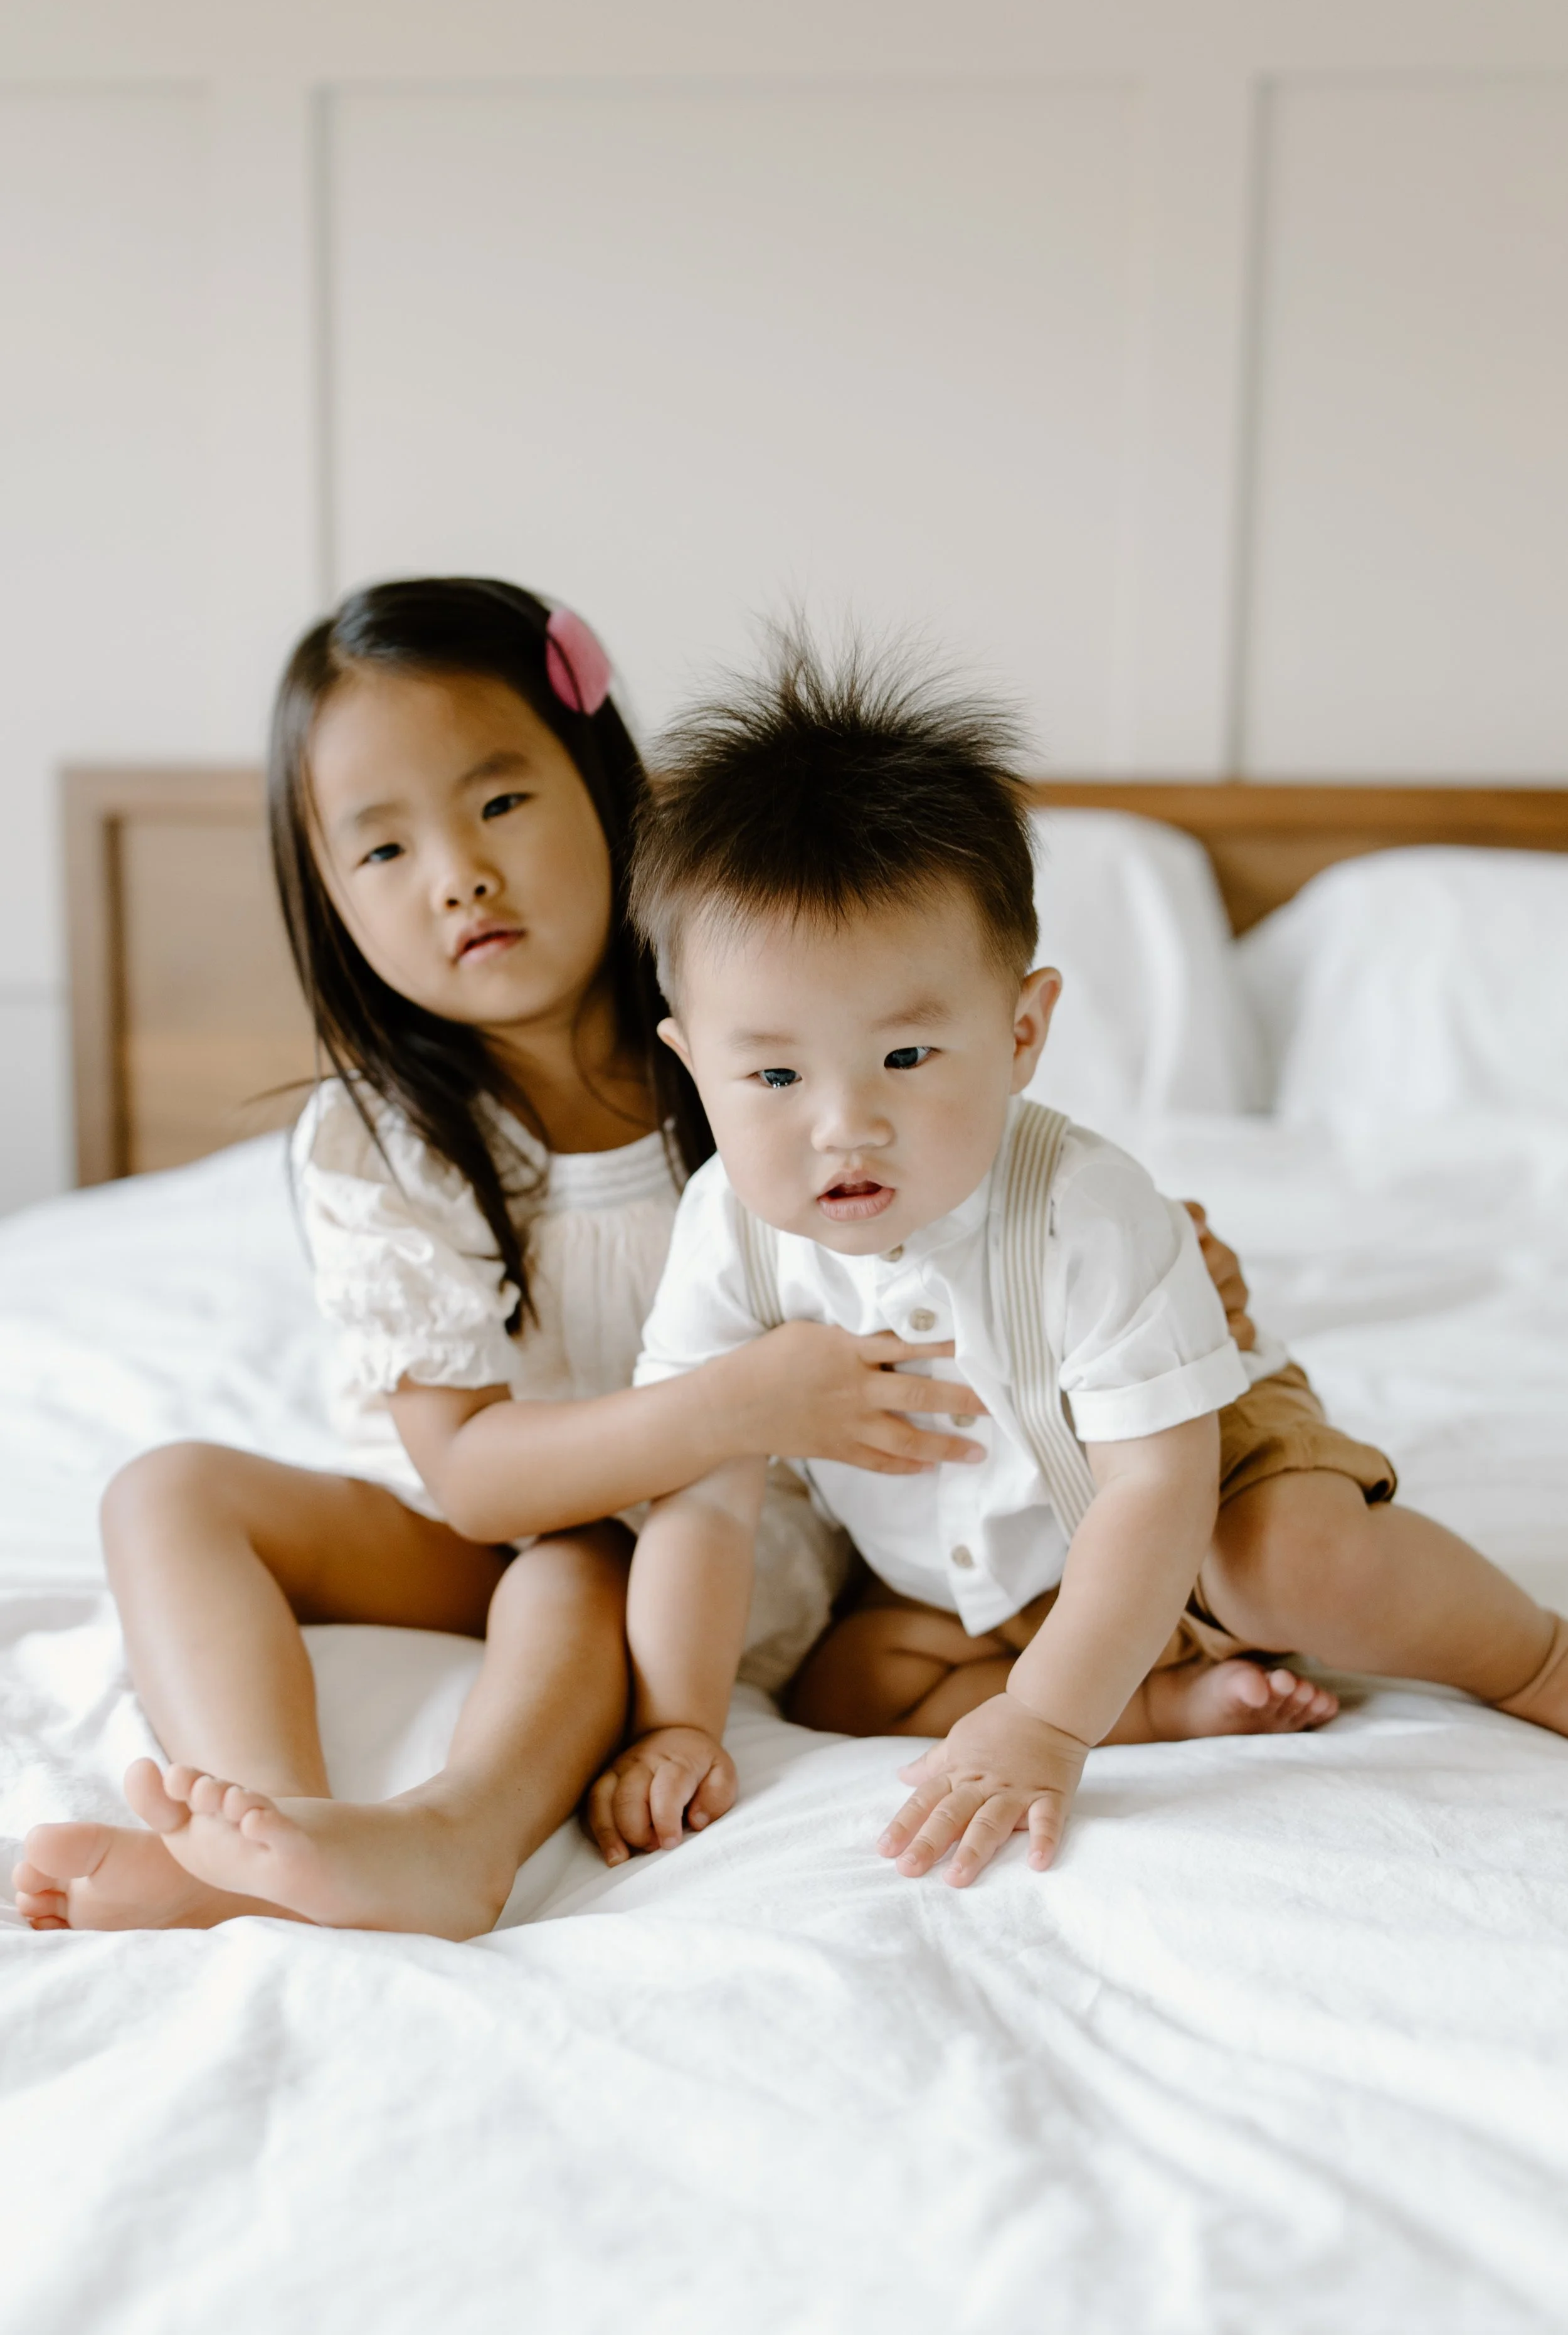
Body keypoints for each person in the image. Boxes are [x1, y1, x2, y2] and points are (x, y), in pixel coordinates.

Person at [12, 580, 1013, 1939]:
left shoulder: (758, 1048)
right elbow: (471, 1481)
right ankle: (261, 1829)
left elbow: (955, 1149)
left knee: (578, 1559)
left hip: (715, 1539)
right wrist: (742, 1395)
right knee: (163, 1492)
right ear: (327, 897)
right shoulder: (379, 1142)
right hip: (489, 1512)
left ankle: (451, 1838)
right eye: (381, 851)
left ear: (607, 790)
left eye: (497, 804)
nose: (457, 875)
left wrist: (1140, 1259)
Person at [586, 632, 1568, 1889]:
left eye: (903, 1058)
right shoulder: (725, 1226)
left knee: (1290, 1568)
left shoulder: (1084, 1215)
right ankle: (1157, 1703)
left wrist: (1043, 1726)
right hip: (981, 1577)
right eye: (772, 1074)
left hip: (1188, 1481)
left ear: (1022, 1030)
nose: (842, 1124)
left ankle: (1530, 1655)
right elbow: (704, 1499)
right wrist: (675, 1716)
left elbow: (1154, 1491)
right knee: (841, 1683)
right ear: (689, 1061)